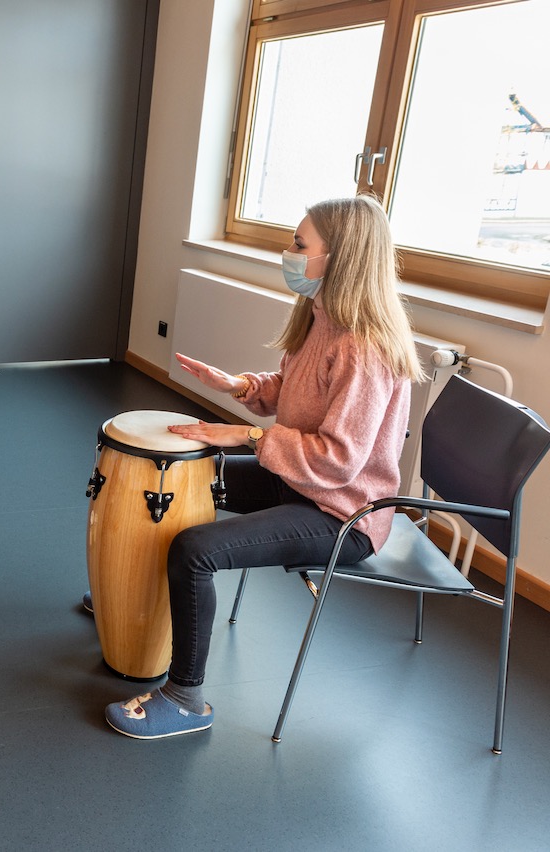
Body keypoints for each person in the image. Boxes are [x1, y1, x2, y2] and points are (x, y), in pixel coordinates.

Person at [104, 196, 424, 739]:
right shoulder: (322, 316)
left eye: (300, 245)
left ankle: (186, 699)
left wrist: (251, 435)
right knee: (185, 473)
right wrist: (244, 387)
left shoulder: (364, 347)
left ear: (340, 257)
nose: (289, 253)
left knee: (195, 550)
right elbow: (297, 393)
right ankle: (131, 595)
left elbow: (339, 460)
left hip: (343, 513)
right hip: (301, 482)